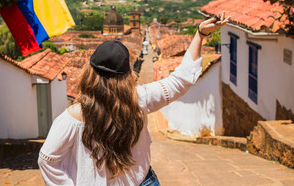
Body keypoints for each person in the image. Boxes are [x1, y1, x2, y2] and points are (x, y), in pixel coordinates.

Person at [38, 13, 230, 186]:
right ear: (126, 75)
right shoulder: (140, 100)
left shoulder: (73, 117)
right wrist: (200, 35)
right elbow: (181, 80)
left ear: (89, 73)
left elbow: (47, 159)